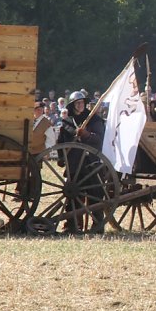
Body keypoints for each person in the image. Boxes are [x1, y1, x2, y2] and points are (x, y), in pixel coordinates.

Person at [57, 90, 107, 233]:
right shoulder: (67, 121)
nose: (80, 105)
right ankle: (72, 225)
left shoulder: (94, 120)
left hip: (90, 162)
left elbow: (98, 139)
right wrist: (61, 158)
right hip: (73, 163)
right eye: (77, 103)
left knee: (95, 195)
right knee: (73, 195)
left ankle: (97, 226)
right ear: (72, 105)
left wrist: (86, 135)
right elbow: (61, 141)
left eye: (82, 103)